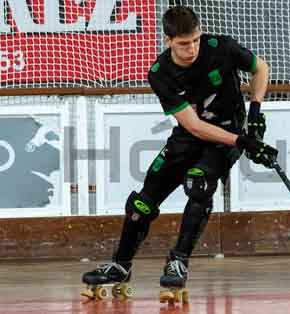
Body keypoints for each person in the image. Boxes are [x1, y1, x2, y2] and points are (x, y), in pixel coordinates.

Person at [82, 5, 277, 292]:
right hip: (191, 135)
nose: (192, 49)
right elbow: (194, 126)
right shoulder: (160, 73)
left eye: (195, 40)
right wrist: (243, 142)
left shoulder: (221, 47)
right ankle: (121, 265)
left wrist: (256, 112)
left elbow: (260, 68)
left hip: (228, 131)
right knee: (141, 204)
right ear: (168, 41)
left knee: (199, 184)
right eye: (184, 44)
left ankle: (178, 261)